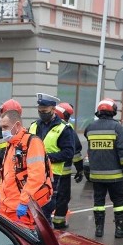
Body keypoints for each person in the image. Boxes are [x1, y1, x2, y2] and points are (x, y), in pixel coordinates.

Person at [0, 109, 52, 229]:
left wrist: (24, 202)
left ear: (17, 125)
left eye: (5, 127)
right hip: (6, 207)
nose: (3, 131)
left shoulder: (31, 142)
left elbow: (37, 177)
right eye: (1, 127)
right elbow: (6, 173)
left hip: (20, 209)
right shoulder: (12, 143)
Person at [85, 98, 123, 238]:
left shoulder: (90, 128)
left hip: (96, 175)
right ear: (113, 112)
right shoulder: (118, 128)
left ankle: (98, 230)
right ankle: (120, 230)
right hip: (115, 176)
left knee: (98, 202)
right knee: (118, 203)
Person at [27, 93, 77, 229]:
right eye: (39, 111)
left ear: (53, 110)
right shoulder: (33, 126)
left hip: (52, 175)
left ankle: (46, 241)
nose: (42, 113)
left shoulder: (64, 129)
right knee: (31, 208)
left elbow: (68, 153)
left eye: (45, 111)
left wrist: (47, 157)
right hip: (32, 173)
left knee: (46, 210)